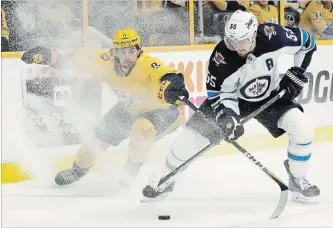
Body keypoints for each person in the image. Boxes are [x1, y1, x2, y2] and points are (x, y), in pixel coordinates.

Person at [142, 10, 320, 204]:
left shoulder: (274, 36)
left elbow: (307, 44)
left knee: (302, 128)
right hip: (231, 99)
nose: (236, 46)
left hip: (268, 95)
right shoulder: (221, 57)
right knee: (187, 140)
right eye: (231, 40)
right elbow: (218, 93)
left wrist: (297, 72)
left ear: (253, 35)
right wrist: (228, 117)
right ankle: (166, 180)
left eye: (241, 41)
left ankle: (298, 177)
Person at [20, 27, 189, 188]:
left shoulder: (148, 64)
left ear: (139, 49)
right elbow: (73, 59)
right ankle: (77, 170)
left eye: (132, 51)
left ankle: (131, 170)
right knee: (97, 137)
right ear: (114, 52)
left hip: (164, 111)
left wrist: (173, 86)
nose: (128, 56)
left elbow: (168, 75)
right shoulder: (104, 60)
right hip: (130, 108)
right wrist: (49, 56)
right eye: (123, 52)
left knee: (142, 129)